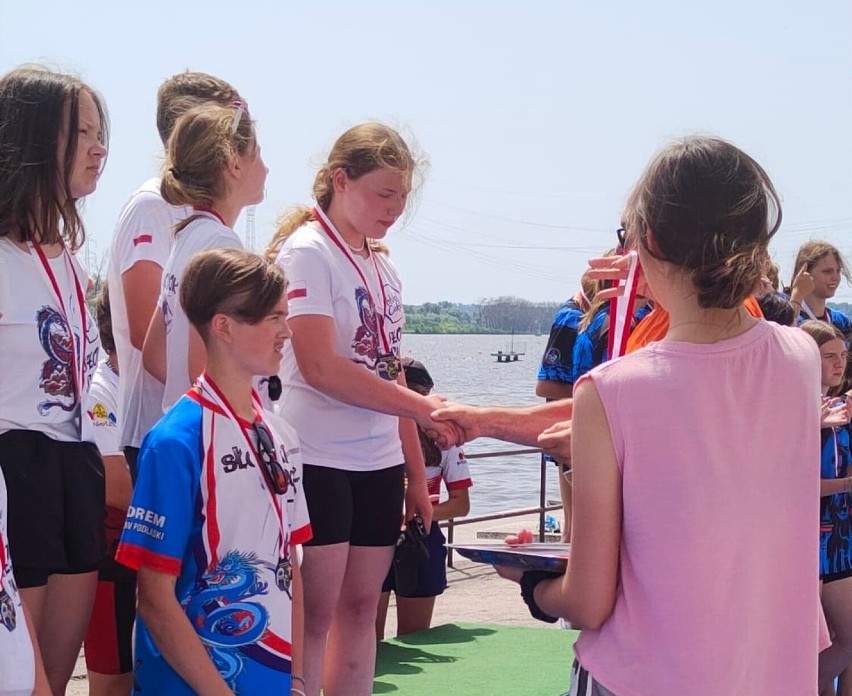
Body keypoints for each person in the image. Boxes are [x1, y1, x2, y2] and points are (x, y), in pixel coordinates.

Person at [494, 137, 824, 695]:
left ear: (647, 240)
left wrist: (532, 584)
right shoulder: (802, 357)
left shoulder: (610, 390)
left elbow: (589, 601)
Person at [265, 122, 450, 696]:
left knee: (363, 607)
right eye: (383, 194)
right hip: (315, 455)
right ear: (340, 181)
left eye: (402, 197)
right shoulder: (306, 253)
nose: (394, 209)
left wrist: (416, 475)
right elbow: (320, 367)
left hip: (377, 461)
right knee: (315, 613)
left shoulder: (385, 267)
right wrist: (423, 407)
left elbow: (388, 370)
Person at [116, 248, 311, 695]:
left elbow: (290, 565)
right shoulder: (173, 442)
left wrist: (297, 680)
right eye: (272, 318)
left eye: (286, 315)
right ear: (223, 326)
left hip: (271, 676)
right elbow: (154, 599)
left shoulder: (280, 432)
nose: (287, 331)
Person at [0, 65, 108, 694]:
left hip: (76, 464)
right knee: (19, 677)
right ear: (34, 140)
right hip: (16, 469)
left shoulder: (67, 261)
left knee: (57, 680)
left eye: (101, 133)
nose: (99, 148)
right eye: (82, 133)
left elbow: (91, 375)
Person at [107, 71, 241, 479]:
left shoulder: (194, 214)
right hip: (162, 426)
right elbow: (146, 328)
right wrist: (221, 404)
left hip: (187, 426)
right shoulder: (154, 204)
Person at [142, 98, 266, 410]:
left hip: (186, 424)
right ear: (235, 165)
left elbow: (154, 352)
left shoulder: (187, 234)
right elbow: (206, 363)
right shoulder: (221, 244)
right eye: (258, 155)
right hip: (213, 441)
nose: (266, 168)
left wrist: (181, 395)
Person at [375, 358, 472, 639]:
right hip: (375, 537)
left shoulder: (444, 440)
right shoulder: (376, 433)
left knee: (415, 639)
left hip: (420, 539)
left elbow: (461, 504)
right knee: (369, 639)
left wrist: (415, 515)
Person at [83, 283, 134, 696]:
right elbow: (118, 489)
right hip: (111, 560)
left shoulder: (147, 385)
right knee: (114, 681)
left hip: (151, 554)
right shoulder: (99, 390)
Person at [800, 320, 852, 695]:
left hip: (841, 542)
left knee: (845, 637)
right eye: (829, 356)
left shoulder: (839, 408)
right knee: (807, 645)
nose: (839, 364)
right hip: (807, 545)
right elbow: (793, 486)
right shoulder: (791, 412)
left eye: (843, 356)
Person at [789, 241, 852, 338]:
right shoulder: (793, 321)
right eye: (827, 271)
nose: (835, 277)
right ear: (804, 273)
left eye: (838, 271)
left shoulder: (841, 321)